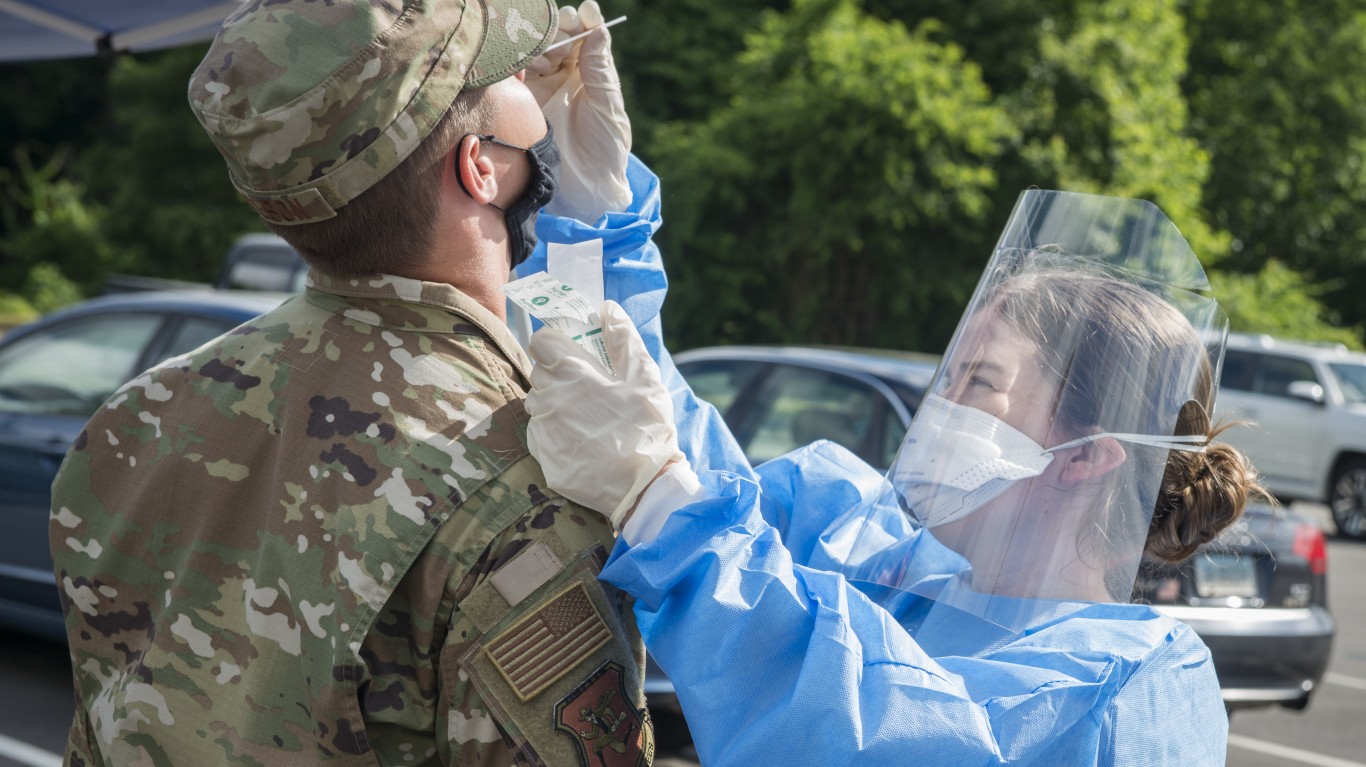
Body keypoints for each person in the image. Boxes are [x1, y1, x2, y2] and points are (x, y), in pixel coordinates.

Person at [48, 1, 657, 765]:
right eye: (505, 75)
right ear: (479, 167)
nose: (534, 92)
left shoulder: (133, 424)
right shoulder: (528, 489)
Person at [522, 190, 1268, 765]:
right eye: (946, 375)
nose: (937, 408)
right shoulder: (891, 562)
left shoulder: (1132, 688)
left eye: (977, 381)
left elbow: (869, 731)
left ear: (1087, 455)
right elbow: (674, 448)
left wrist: (662, 504)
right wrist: (589, 217)